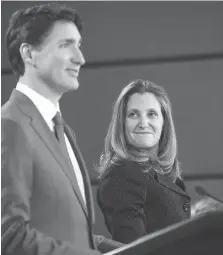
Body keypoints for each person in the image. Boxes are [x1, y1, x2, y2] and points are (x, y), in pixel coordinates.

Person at [1, 3, 122, 254]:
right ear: (30, 54)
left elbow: (80, 238)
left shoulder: (63, 131)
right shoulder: (10, 126)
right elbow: (9, 238)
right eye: (66, 45)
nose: (80, 58)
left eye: (79, 45)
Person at [97, 79, 191, 243]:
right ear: (122, 123)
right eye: (133, 114)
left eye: (152, 114)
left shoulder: (164, 175)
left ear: (164, 122)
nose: (143, 123)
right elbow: (134, 249)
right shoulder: (123, 174)